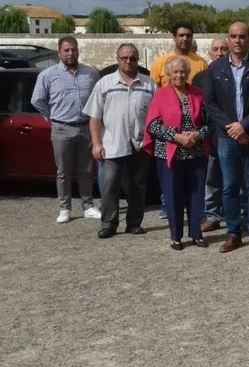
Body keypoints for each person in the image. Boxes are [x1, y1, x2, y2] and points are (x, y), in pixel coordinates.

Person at [203, 22, 249, 254]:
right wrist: (232, 128)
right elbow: (210, 103)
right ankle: (233, 233)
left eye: (242, 36)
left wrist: (245, 126)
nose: (237, 40)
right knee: (229, 187)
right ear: (227, 38)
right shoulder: (216, 68)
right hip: (226, 137)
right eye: (233, 36)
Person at [84, 43, 156, 238]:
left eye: (132, 58)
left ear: (137, 60)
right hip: (112, 144)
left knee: (138, 187)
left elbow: (156, 117)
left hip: (140, 145)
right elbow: (94, 117)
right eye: (124, 57)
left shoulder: (149, 85)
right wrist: (97, 143)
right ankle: (108, 223)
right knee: (109, 186)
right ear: (117, 59)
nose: (128, 61)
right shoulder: (104, 84)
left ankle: (134, 222)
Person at [143, 55, 213, 250]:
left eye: (183, 71)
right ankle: (176, 236)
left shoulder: (198, 94)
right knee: (173, 194)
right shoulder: (160, 95)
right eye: (175, 72)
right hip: (169, 153)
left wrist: (198, 134)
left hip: (196, 152)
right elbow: (153, 126)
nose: (179, 75)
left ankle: (196, 233)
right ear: (168, 74)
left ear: (188, 73)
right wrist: (177, 137)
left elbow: (211, 123)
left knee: (197, 194)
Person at [30, 36, 101, 224]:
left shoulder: (91, 74)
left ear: (78, 51)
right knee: (63, 172)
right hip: (62, 129)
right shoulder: (48, 75)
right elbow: (37, 99)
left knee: (86, 170)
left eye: (74, 50)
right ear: (59, 53)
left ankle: (88, 205)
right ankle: (65, 208)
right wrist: (52, 116)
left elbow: (98, 99)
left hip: (86, 128)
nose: (71, 53)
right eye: (67, 50)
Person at [193, 38, 228, 232]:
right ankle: (213, 215)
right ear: (210, 53)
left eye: (223, 49)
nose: (219, 52)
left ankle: (239, 215)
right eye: (215, 49)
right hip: (209, 134)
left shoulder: (234, 72)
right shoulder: (200, 77)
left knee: (237, 179)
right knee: (212, 178)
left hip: (231, 132)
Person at [149, 22, 208, 87]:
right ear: (174, 37)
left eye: (188, 36)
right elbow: (153, 89)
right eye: (181, 35)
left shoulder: (202, 63)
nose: (185, 39)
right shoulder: (159, 62)